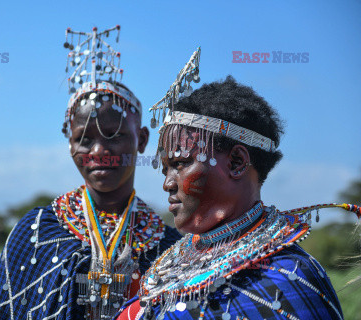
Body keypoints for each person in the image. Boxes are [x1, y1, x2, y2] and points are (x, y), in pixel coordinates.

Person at [115, 48, 360, 320]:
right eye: (165, 170)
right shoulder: (169, 262)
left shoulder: (288, 279)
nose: (168, 184)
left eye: (181, 164)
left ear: (236, 163)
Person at [0, 26, 181, 320]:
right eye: (84, 139)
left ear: (141, 139)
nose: (99, 151)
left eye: (114, 135)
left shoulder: (168, 246)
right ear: (70, 143)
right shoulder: (37, 231)